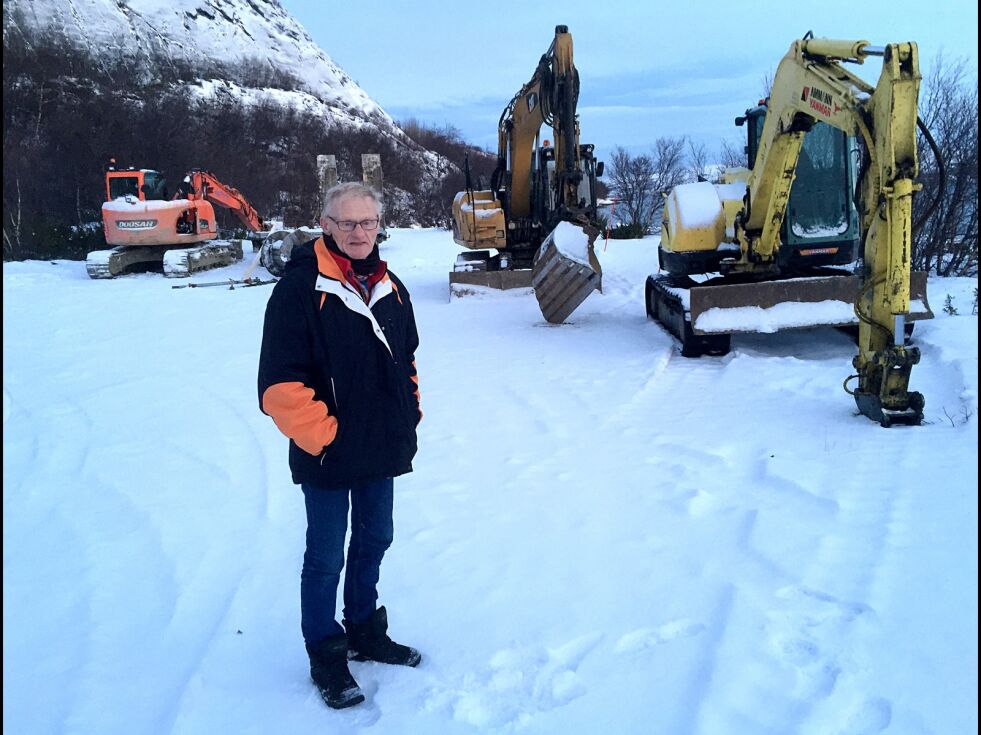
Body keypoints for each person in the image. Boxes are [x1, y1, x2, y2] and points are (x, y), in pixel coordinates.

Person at [257, 182, 422, 710]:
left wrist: (408, 413)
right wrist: (326, 440)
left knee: (376, 538)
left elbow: (407, 360)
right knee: (325, 557)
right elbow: (279, 387)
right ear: (325, 224)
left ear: (379, 225)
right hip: (327, 452)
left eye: (368, 223)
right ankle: (326, 653)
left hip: (380, 447)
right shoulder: (300, 289)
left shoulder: (390, 285)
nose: (359, 233)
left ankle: (365, 631)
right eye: (347, 223)